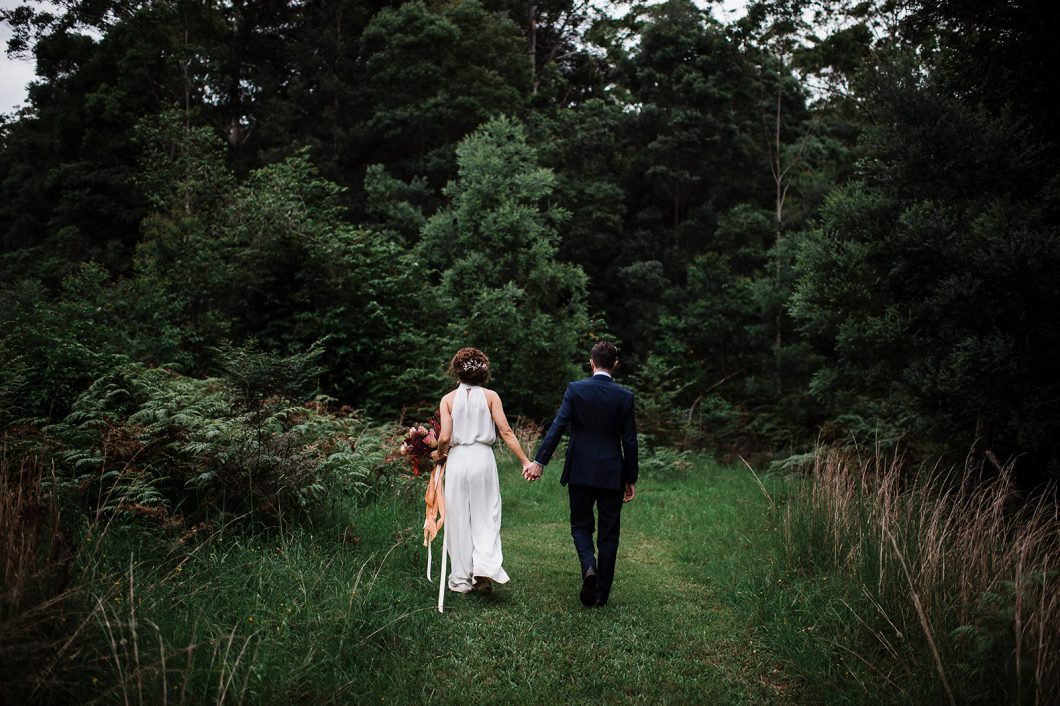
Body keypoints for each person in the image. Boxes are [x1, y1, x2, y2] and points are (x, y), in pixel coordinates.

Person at [524, 340, 638, 607]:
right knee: (609, 534)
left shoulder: (576, 390)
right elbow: (630, 441)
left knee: (580, 524)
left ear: (591, 362)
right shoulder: (625, 396)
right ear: (615, 365)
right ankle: (601, 595)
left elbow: (558, 426)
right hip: (612, 474)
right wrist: (630, 477)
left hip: (580, 471)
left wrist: (540, 461)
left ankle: (589, 567)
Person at [431, 347, 532, 594]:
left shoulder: (447, 399)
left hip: (457, 461)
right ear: (483, 371)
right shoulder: (491, 396)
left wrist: (439, 454)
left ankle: (462, 580)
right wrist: (525, 461)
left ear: (457, 370)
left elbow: (444, 436)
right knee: (486, 514)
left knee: (458, 518)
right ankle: (484, 571)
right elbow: (506, 432)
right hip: (482, 460)